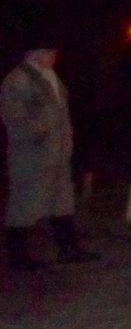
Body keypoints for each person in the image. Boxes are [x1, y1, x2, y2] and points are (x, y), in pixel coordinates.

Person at [4, 42, 98, 270]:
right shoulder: (18, 80)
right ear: (33, 54)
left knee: (62, 202)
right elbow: (14, 118)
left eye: (54, 52)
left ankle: (68, 249)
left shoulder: (51, 76)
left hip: (58, 153)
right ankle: (17, 257)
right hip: (32, 156)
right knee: (25, 205)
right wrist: (41, 133)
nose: (54, 56)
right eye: (49, 52)